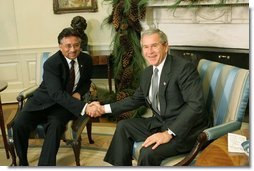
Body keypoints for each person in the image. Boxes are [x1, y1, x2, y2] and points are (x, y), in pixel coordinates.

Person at [88, 28, 212, 166]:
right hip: (161, 122)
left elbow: (196, 105)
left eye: (154, 45)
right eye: (145, 47)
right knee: (124, 126)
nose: (150, 51)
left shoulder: (183, 68)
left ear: (165, 46)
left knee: (148, 151)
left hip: (185, 130)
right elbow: (136, 99)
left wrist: (168, 133)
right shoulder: (148, 73)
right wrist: (103, 108)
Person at [12, 27, 98, 166]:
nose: (73, 49)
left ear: (80, 45)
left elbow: (86, 81)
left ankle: (45, 166)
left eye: (76, 45)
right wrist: (84, 106)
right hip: (41, 102)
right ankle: (22, 163)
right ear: (60, 46)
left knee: (55, 126)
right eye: (68, 46)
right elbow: (56, 93)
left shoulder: (86, 59)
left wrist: (79, 93)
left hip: (63, 106)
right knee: (18, 125)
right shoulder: (52, 63)